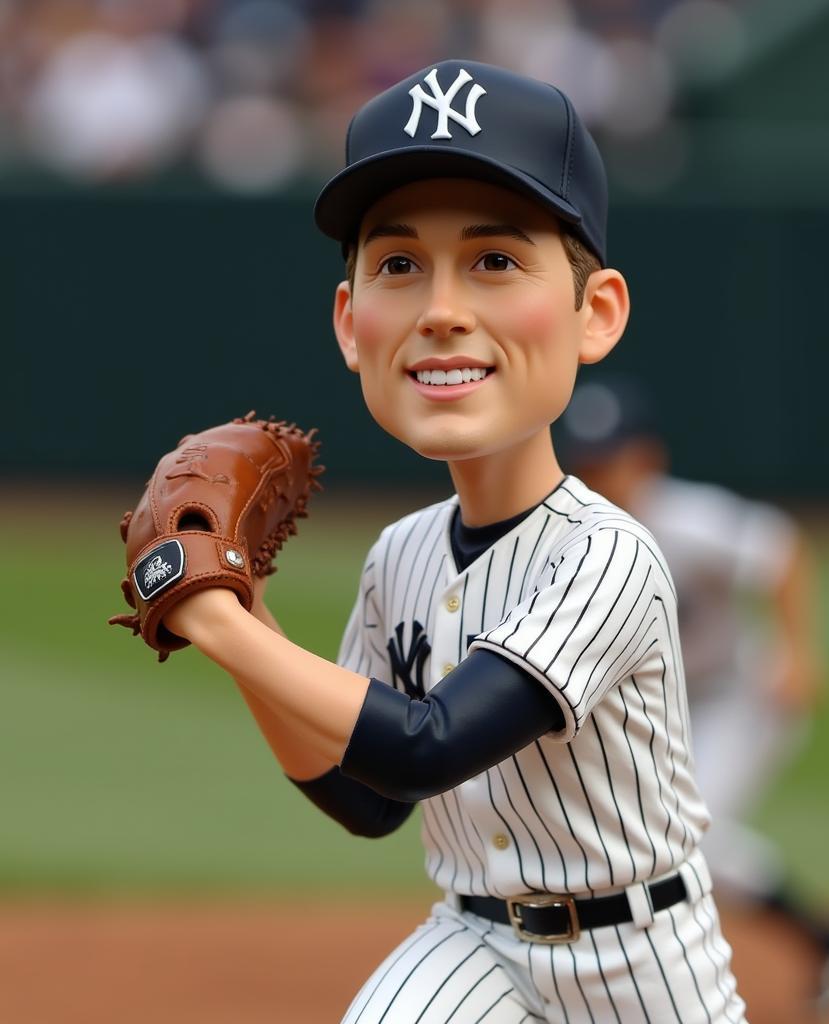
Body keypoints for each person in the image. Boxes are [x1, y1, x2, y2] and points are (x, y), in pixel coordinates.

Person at [159, 60, 748, 1022]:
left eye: (496, 261)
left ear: (592, 313)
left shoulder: (608, 556)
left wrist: (222, 626)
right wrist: (246, 614)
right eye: (398, 265)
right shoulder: (401, 553)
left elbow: (423, 751)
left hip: (643, 963)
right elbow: (368, 801)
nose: (439, 310)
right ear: (351, 323)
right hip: (473, 943)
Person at [558, 376, 829, 1021]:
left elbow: (783, 550)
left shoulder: (688, 519)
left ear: (648, 459)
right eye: (588, 462)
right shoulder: (572, 530)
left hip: (737, 699)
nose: (600, 474)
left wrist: (799, 651)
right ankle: (828, 938)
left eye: (612, 460)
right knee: (647, 837)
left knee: (689, 834)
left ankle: (808, 945)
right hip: (662, 712)